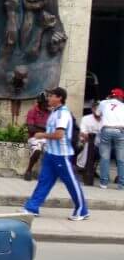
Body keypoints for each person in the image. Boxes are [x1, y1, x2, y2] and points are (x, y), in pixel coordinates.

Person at [23, 87, 89, 221]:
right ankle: (32, 207)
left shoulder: (63, 114)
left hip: (62, 155)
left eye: (51, 96)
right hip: (51, 153)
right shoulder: (54, 112)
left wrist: (42, 135)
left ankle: (82, 210)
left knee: (71, 182)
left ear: (59, 98)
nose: (48, 98)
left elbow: (59, 134)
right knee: (44, 181)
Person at [95, 87, 124, 189]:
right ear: (121, 97)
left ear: (111, 95)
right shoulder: (123, 105)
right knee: (121, 159)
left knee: (105, 158)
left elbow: (97, 114)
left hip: (106, 130)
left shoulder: (103, 103)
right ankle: (121, 184)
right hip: (120, 131)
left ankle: (104, 183)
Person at [23, 94, 50, 181]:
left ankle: (45, 174)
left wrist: (38, 126)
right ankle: (29, 170)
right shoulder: (32, 111)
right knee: (37, 150)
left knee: (50, 152)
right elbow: (31, 129)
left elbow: (51, 129)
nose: (47, 104)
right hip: (34, 137)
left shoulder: (50, 113)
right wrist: (44, 128)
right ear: (41, 103)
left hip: (46, 137)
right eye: (46, 102)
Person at [77, 107, 100, 180]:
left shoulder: (105, 119)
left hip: (103, 143)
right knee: (89, 143)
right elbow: (82, 132)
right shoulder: (86, 118)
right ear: (93, 109)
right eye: (96, 108)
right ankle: (84, 167)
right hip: (87, 140)